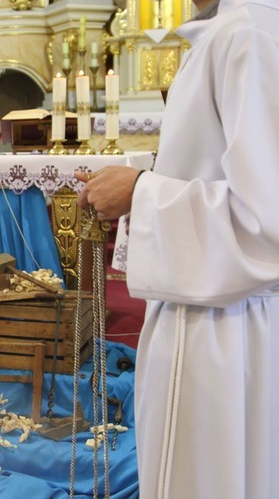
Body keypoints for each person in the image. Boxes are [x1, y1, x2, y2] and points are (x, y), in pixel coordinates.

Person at [75, 1, 279, 497]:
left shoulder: (244, 34)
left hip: (223, 327)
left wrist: (140, 192)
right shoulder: (228, 30)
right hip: (215, 311)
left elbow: (264, 225)